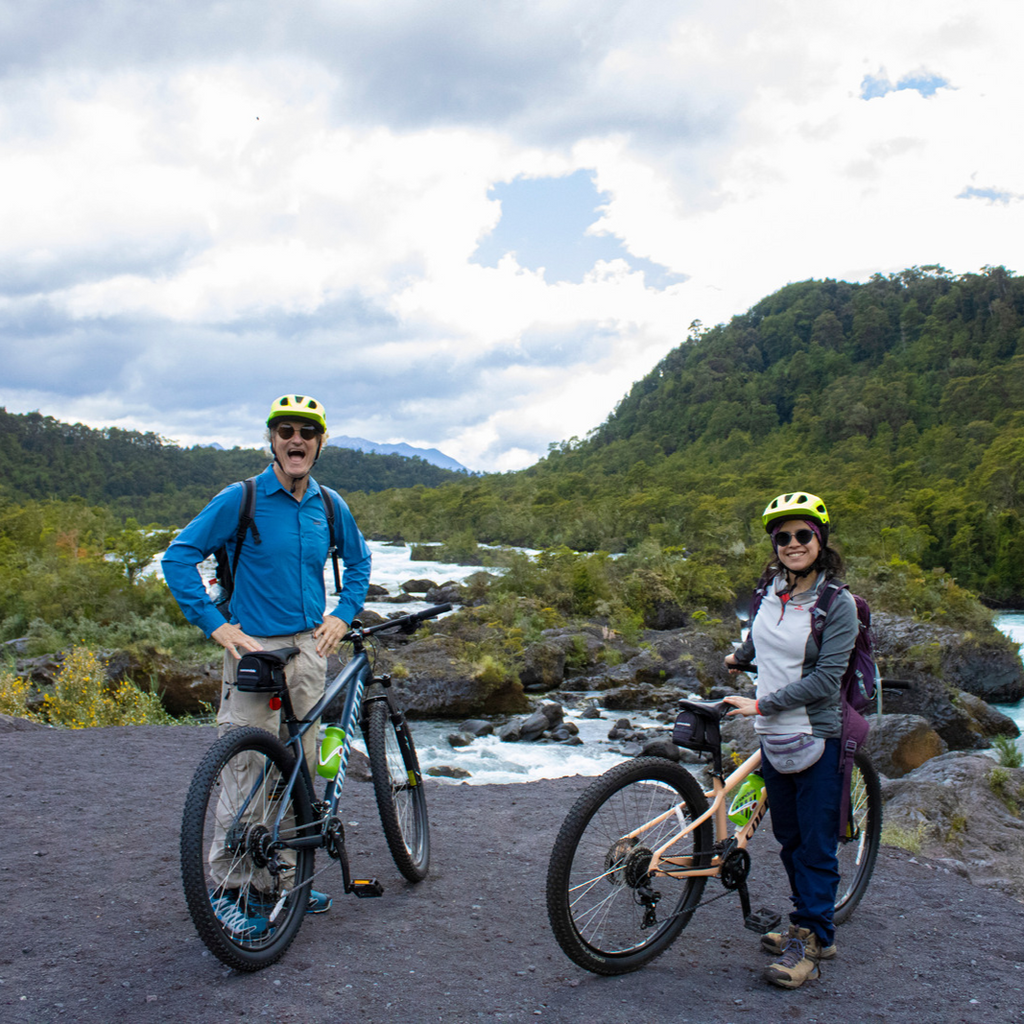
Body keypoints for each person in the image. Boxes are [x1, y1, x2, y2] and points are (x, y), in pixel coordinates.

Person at [163, 394, 371, 933]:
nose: (296, 440)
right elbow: (179, 556)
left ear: (320, 443)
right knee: (245, 770)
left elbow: (360, 560)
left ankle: (279, 879)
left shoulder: (329, 506)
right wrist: (216, 624)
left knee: (295, 771)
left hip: (310, 650)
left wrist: (343, 613)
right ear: (272, 441)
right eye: (285, 431)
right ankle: (231, 889)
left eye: (307, 432)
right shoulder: (243, 497)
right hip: (255, 650)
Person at [722, 491, 857, 990]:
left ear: (820, 540)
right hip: (774, 735)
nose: (793, 543)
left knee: (818, 844)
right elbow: (761, 635)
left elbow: (826, 679)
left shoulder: (836, 605)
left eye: (803, 535)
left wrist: (761, 702)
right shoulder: (770, 591)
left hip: (815, 735)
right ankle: (810, 925)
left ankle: (811, 942)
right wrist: (740, 656)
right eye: (784, 537)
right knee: (791, 839)